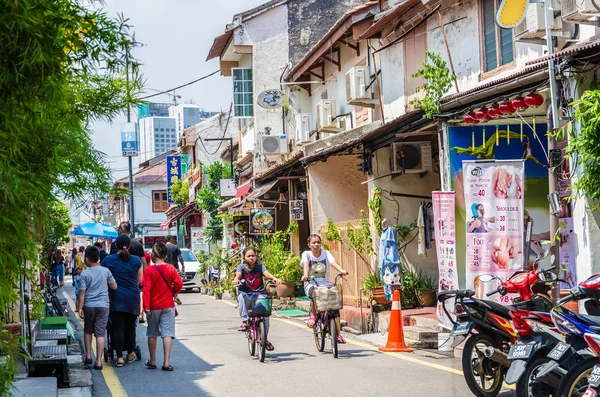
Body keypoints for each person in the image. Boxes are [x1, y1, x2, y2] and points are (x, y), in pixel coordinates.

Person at [102, 235, 143, 367]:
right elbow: (138, 280)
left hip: (116, 297)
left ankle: (119, 358)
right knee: (131, 326)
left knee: (117, 327)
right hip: (133, 297)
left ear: (115, 246)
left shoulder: (108, 260)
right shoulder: (136, 260)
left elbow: (104, 278)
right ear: (129, 246)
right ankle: (130, 354)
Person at [301, 234, 348, 344]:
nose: (316, 245)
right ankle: (313, 315)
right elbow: (306, 265)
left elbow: (333, 263)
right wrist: (305, 275)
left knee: (335, 307)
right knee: (314, 293)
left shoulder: (326, 253)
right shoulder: (306, 254)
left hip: (326, 284)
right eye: (313, 243)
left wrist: (341, 270)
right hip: (311, 283)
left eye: (318, 242)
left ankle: (338, 334)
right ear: (309, 245)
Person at [142, 243, 183, 371]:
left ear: (152, 256)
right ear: (165, 256)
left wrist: (146, 306)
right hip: (168, 305)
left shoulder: (149, 270)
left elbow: (146, 289)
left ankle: (153, 361)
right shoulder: (171, 268)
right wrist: (174, 292)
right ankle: (166, 362)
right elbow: (179, 283)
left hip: (153, 306)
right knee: (167, 334)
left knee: (152, 333)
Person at [233, 247, 280, 351]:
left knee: (266, 316)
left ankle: (265, 339)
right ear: (244, 257)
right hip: (246, 293)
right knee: (241, 297)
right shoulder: (241, 267)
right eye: (248, 256)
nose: (251, 258)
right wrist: (236, 280)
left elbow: (266, 274)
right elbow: (238, 275)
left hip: (259, 293)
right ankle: (245, 321)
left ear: (256, 256)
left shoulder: (260, 267)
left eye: (253, 256)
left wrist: (274, 278)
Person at [78, 246, 117, 370]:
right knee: (100, 333)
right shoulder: (106, 271)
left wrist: (80, 307)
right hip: (103, 305)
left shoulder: (84, 273)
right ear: (99, 258)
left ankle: (89, 356)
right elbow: (114, 286)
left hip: (89, 306)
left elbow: (82, 292)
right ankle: (99, 362)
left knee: (88, 330)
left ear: (87, 259)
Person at [165, 235, 184, 305]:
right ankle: (175, 296)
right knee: (176, 283)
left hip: (165, 268)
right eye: (172, 238)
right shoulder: (175, 247)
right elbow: (180, 257)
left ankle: (167, 297)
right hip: (175, 268)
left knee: (166, 282)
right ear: (170, 239)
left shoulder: (163, 247)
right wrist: (183, 266)